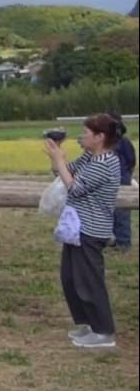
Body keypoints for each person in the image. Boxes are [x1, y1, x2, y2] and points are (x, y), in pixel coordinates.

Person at [45, 114, 123, 349]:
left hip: (91, 229)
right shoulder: (91, 157)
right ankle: (87, 324)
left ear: (100, 137)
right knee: (70, 278)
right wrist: (56, 154)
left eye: (86, 133)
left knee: (89, 281)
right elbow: (64, 171)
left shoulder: (106, 162)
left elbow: (75, 188)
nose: (82, 136)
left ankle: (104, 331)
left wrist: (59, 162)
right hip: (76, 228)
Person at [109, 113, 134, 251]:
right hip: (108, 180)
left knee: (122, 211)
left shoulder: (124, 143)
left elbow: (131, 161)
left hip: (122, 178)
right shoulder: (105, 144)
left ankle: (123, 242)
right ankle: (112, 239)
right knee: (109, 210)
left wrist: (126, 175)